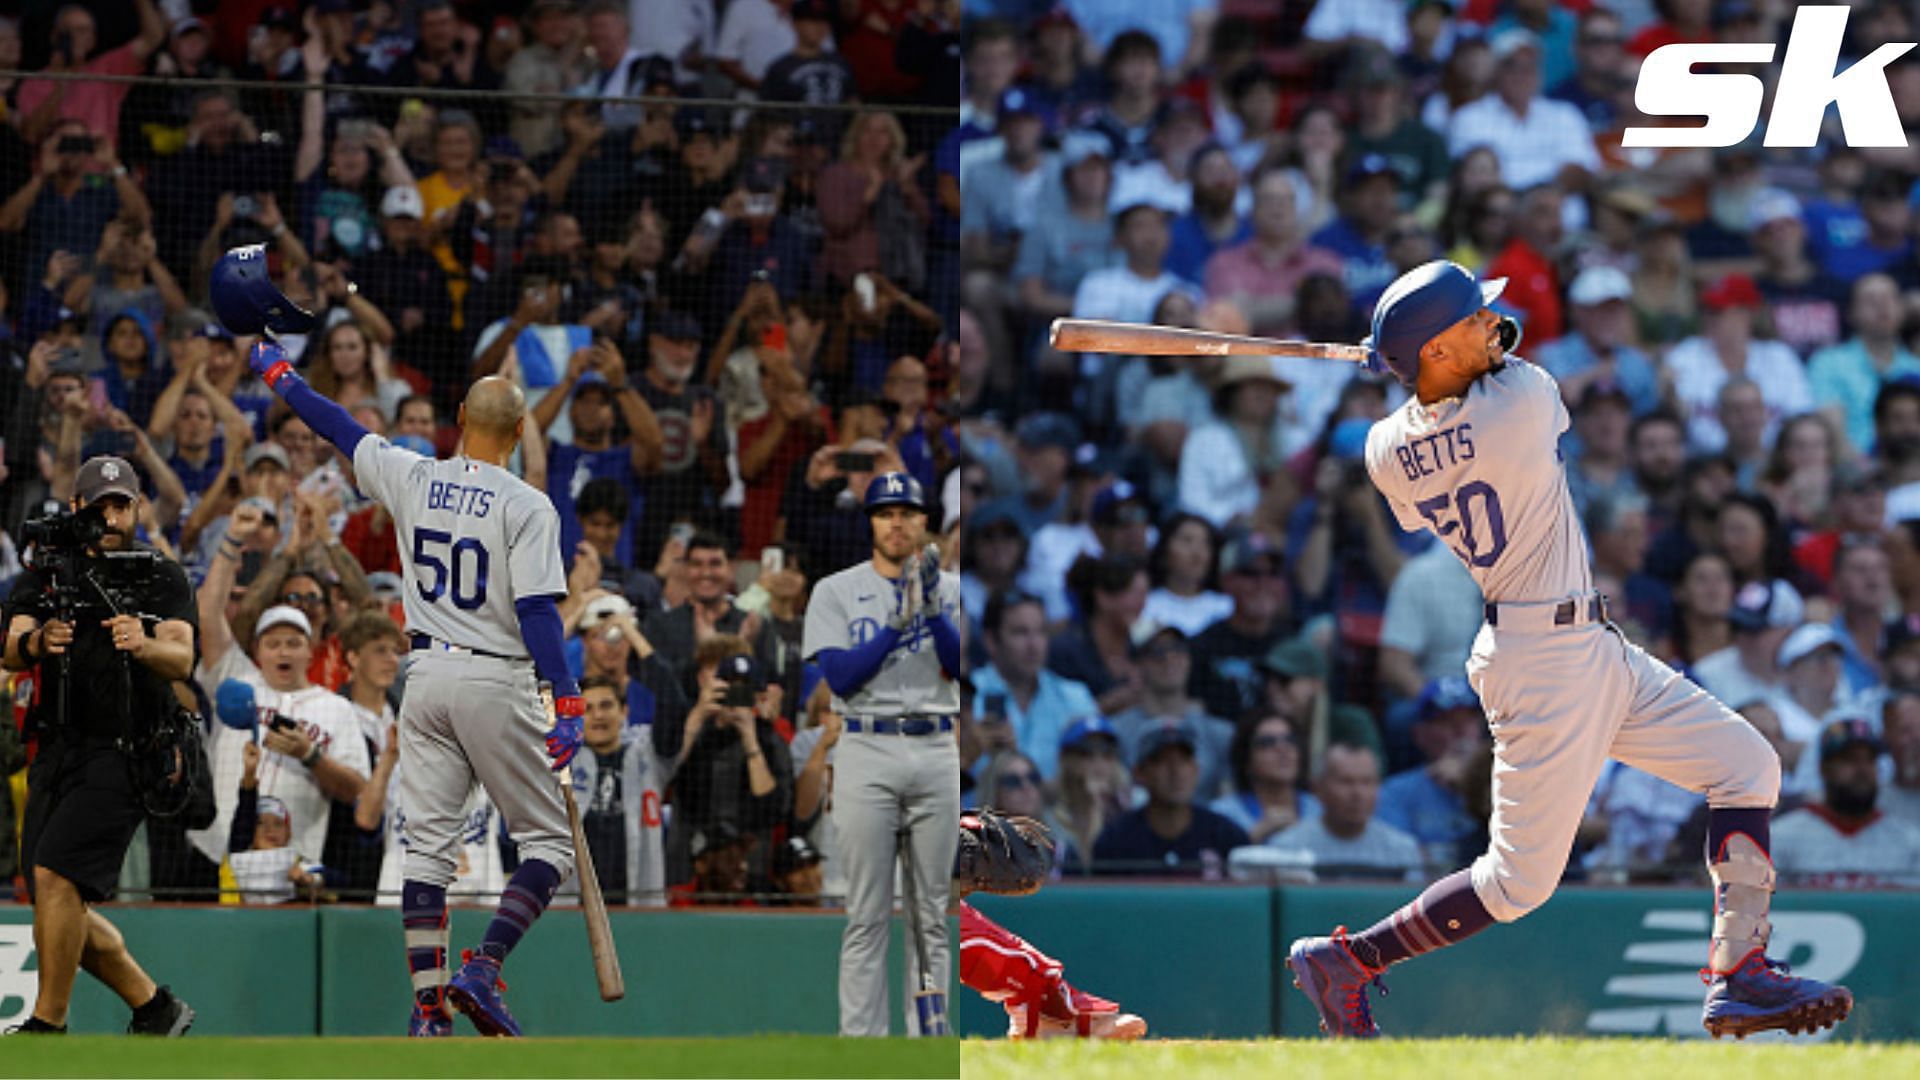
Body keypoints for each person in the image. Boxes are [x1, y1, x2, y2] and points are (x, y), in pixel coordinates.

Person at [1285, 259, 1851, 1041]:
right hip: (1545, 659)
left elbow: (1422, 434)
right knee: (1516, 885)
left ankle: (1739, 973)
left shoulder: (1383, 450)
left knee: (1748, 766)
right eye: (1472, 319)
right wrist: (1412, 359)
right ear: (1438, 351)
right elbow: (1504, 363)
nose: (1493, 322)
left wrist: (1410, 366)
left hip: (1581, 644)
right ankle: (1352, 958)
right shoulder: (1521, 401)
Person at [243, 300, 586, 1038]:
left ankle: (429, 1010)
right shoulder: (529, 504)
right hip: (496, 676)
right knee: (551, 843)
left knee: (425, 850)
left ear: (459, 415)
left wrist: (277, 372)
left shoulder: (413, 473)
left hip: (421, 675)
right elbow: (536, 613)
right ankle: (483, 968)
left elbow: (336, 424)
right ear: (521, 430)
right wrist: (568, 696)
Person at [2, 456, 198, 1035]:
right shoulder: (47, 574)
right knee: (53, 896)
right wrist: (38, 641)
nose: (111, 516)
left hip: (127, 750)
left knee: (57, 878)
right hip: (55, 750)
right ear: (77, 509)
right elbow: (9, 646)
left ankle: (48, 1022)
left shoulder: (158, 575)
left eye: (122, 504)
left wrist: (143, 643)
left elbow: (182, 656)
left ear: (138, 508)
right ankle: (154, 1008)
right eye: (100, 505)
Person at [802, 472, 963, 1037]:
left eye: (907, 511)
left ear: (925, 522)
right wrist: (897, 622)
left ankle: (928, 1042)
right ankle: (863, 1049)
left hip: (937, 742)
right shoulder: (836, 590)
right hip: (866, 743)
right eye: (884, 512)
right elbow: (842, 678)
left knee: (931, 914)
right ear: (870, 522)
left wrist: (934, 609)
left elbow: (961, 664)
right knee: (867, 912)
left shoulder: (953, 588)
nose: (896, 522)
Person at [1770, 718, 1920, 887]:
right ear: (1824, 768)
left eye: (1869, 760)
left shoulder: (1908, 841)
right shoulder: (1784, 836)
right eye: (1850, 759)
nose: (1862, 769)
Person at [1090, 724, 1249, 878]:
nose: (1176, 771)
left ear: (1196, 770)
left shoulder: (1225, 835)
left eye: (1184, 760)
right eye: (1161, 761)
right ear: (1140, 773)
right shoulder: (1115, 839)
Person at [568, 675, 666, 906]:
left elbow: (673, 706)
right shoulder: (559, 767)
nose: (598, 715)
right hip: (574, 906)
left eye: (606, 706)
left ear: (624, 711)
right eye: (587, 708)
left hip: (635, 904)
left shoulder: (651, 759)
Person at [1262, 742, 1423, 881]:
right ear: (1318, 788)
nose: (1358, 794)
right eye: (1346, 782)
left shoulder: (1403, 850)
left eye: (1367, 782)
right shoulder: (1286, 849)